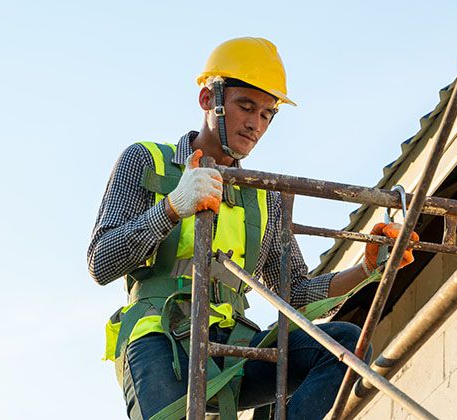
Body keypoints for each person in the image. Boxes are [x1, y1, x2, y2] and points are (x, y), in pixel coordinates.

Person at [86, 37, 417, 420]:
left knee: (344, 346)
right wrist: (173, 207)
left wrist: (367, 268)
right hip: (158, 338)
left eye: (266, 114)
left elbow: (294, 294)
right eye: (246, 106)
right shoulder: (147, 160)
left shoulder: (263, 198)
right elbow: (101, 262)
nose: (255, 124)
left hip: (232, 345)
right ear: (209, 100)